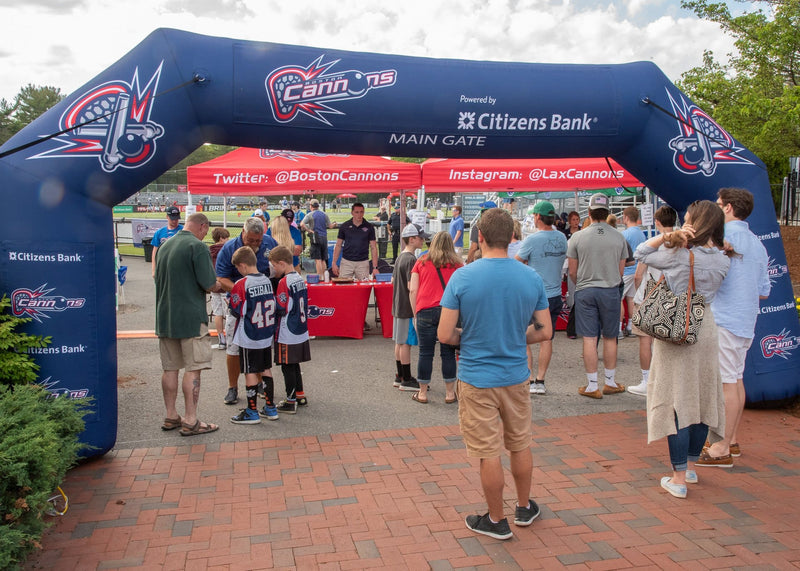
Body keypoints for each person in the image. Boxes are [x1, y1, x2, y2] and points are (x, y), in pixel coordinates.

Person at [438, 208, 552, 540]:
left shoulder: (462, 276)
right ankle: (523, 506)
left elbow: (446, 334)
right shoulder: (529, 276)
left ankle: (496, 519)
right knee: (520, 443)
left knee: (488, 451)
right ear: (513, 237)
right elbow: (544, 331)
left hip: (476, 377)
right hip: (516, 374)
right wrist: (517, 336)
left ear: (480, 238)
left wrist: (470, 337)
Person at [634, 200, 730, 498]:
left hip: (677, 328)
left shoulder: (679, 255)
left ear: (695, 223)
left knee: (675, 401)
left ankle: (677, 478)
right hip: (707, 328)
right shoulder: (724, 259)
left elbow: (640, 253)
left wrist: (666, 236)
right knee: (701, 399)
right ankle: (689, 466)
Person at [697, 188, 770, 468]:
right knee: (735, 379)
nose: (716, 210)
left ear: (727, 208)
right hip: (746, 319)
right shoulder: (757, 243)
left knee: (727, 381)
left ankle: (721, 447)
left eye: (717, 205)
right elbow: (764, 291)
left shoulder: (724, 240)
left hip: (725, 317)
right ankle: (732, 439)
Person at [154, 213, 218, 436]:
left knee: (170, 367)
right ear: (202, 226)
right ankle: (190, 419)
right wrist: (225, 286)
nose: (205, 234)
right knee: (193, 368)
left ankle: (171, 415)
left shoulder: (165, 244)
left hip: (165, 316)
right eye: (206, 230)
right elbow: (209, 283)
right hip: (191, 317)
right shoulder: (197, 246)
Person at [567, 193, 629, 398]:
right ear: (608, 212)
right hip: (610, 289)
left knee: (589, 338)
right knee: (610, 337)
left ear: (589, 212)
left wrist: (583, 284)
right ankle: (610, 382)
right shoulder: (619, 236)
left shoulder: (577, 237)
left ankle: (592, 385)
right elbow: (621, 271)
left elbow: (572, 271)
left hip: (585, 289)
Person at [215, 217, 279, 405]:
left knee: (261, 346)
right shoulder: (229, 249)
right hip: (238, 305)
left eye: (258, 240)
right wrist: (242, 289)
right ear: (243, 232)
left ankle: (259, 384)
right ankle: (232, 387)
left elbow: (279, 267)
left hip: (261, 307)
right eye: (251, 240)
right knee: (234, 349)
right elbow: (221, 277)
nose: (255, 244)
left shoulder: (269, 242)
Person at [515, 201, 568, 395]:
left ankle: (528, 379)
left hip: (534, 296)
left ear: (537, 217)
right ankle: (541, 380)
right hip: (554, 295)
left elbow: (516, 264)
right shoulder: (562, 238)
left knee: (525, 338)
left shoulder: (532, 240)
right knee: (547, 338)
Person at [627, 205, 677, 396]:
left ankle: (648, 381)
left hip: (648, 295)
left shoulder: (652, 244)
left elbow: (639, 275)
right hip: (670, 297)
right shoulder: (681, 244)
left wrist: (641, 292)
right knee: (665, 342)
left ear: (657, 222)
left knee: (645, 340)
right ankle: (665, 381)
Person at [409, 231, 463, 404]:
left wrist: (414, 314)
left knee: (425, 352)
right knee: (448, 353)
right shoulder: (457, 265)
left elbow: (413, 290)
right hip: (449, 311)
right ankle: (449, 393)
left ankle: (423, 393)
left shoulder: (421, 262)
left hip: (425, 309)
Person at [227, 246, 277, 424]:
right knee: (266, 369)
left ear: (242, 265)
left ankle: (252, 411)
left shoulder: (242, 284)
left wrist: (230, 302)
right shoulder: (266, 281)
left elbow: (236, 310)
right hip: (265, 333)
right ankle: (271, 407)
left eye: (238, 268)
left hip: (249, 335)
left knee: (249, 370)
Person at [269, 246, 312, 414]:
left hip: (288, 330)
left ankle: (290, 400)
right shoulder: (300, 278)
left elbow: (282, 306)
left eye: (274, 266)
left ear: (281, 263)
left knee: (287, 365)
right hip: (300, 329)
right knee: (294, 364)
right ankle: (300, 395)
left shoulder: (284, 282)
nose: (273, 269)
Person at [392, 224, 427, 391]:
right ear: (412, 239)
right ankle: (406, 378)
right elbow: (410, 285)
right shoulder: (411, 260)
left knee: (399, 342)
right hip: (407, 307)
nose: (423, 240)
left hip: (398, 306)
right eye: (420, 237)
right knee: (406, 343)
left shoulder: (400, 257)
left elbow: (394, 281)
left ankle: (400, 375)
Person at [332, 202, 379, 280]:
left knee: (363, 288)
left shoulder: (369, 227)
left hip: (363, 262)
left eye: (361, 212)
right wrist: (334, 263)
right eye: (356, 212)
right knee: (343, 287)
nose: (359, 215)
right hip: (347, 262)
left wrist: (375, 267)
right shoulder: (345, 226)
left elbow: (373, 247)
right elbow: (338, 245)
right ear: (352, 213)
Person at [621, 206, 647, 337]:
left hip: (626, 270)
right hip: (637, 269)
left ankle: (619, 327)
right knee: (631, 299)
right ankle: (631, 325)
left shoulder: (624, 234)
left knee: (619, 299)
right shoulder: (642, 234)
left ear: (626, 218)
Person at [208, 227, 231, 349]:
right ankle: (228, 338)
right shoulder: (227, 250)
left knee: (217, 313)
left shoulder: (209, 251)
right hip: (224, 284)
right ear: (221, 238)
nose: (228, 240)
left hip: (213, 285)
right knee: (227, 313)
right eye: (226, 237)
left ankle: (221, 338)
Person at [300, 198, 335, 276]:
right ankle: (325, 276)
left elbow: (302, 224)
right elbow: (330, 226)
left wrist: (308, 230)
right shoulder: (324, 214)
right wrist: (334, 224)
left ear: (311, 206)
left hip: (315, 237)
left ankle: (320, 277)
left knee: (317, 260)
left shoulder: (310, 215)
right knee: (323, 259)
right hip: (324, 237)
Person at [150, 205, 183, 278]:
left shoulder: (184, 230)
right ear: (167, 217)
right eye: (172, 219)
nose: (174, 221)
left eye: (176, 219)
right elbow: (155, 252)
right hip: (163, 267)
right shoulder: (159, 232)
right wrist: (153, 269)